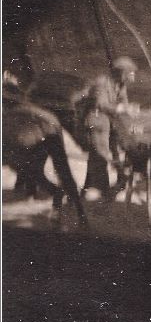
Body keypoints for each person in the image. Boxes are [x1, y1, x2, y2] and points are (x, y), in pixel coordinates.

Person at [3, 81, 88, 228]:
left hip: (43, 130)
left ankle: (62, 197)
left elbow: (13, 140)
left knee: (36, 169)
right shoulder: (19, 109)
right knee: (61, 170)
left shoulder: (13, 112)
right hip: (46, 128)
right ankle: (78, 211)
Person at [76, 56, 138, 201]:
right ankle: (104, 192)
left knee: (98, 156)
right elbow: (101, 104)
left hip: (108, 121)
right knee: (101, 155)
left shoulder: (120, 84)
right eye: (130, 73)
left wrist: (129, 110)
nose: (132, 76)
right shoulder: (102, 83)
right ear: (121, 72)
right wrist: (120, 108)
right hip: (96, 121)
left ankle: (86, 190)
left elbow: (123, 102)